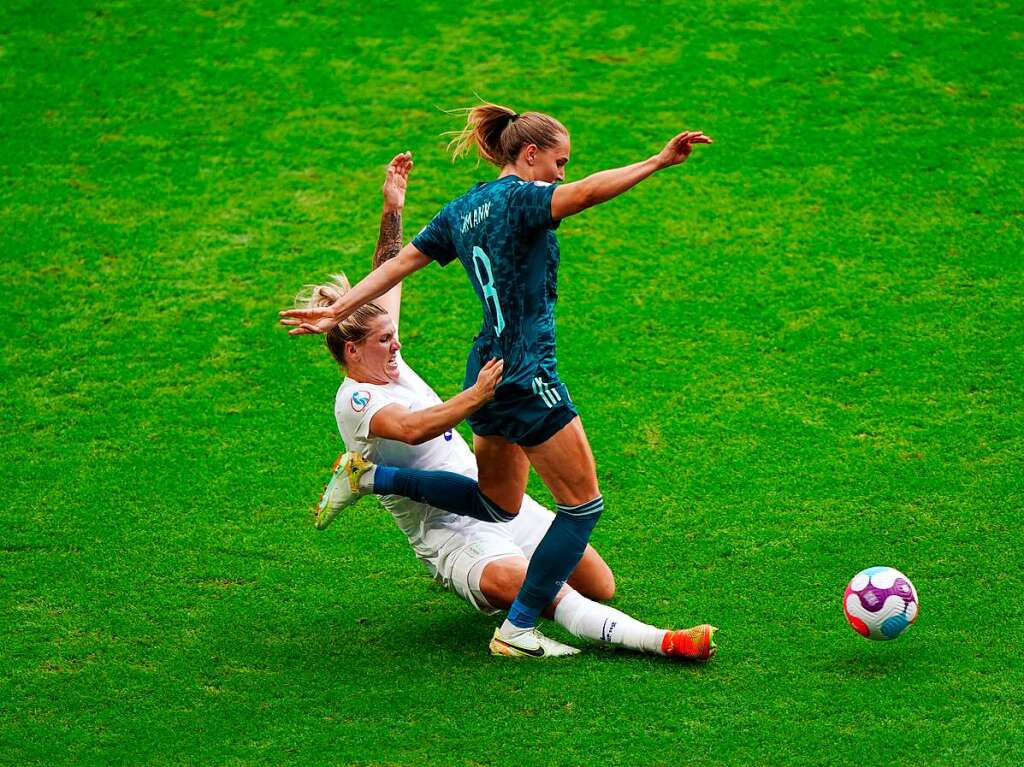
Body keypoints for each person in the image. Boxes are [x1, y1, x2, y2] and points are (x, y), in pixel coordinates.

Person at [281, 105, 713, 656]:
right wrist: (657, 161)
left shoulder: (463, 208)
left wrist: (339, 306)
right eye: (558, 162)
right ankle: (517, 629)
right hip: (527, 370)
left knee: (497, 503)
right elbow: (585, 195)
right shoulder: (521, 200)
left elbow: (398, 265)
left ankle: (373, 479)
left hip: (485, 364)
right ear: (528, 155)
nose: (561, 173)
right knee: (583, 508)